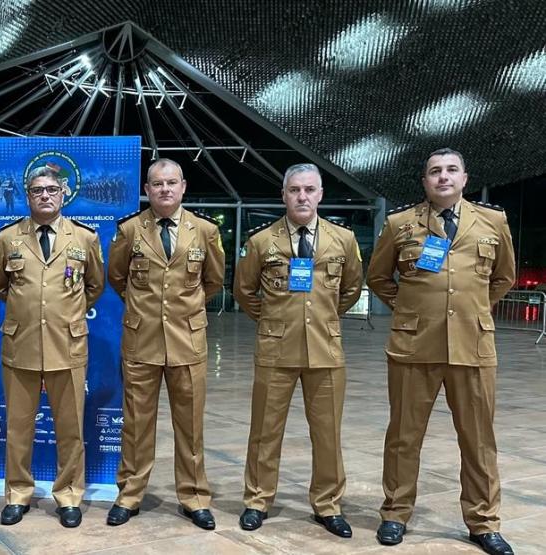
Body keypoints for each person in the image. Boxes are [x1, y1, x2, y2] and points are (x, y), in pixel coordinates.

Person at [367, 148, 515, 555]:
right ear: (425, 181)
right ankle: (395, 514)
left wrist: (475, 309)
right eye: (435, 171)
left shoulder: (492, 220)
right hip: (414, 347)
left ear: (465, 178)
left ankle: (483, 522)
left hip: (473, 346)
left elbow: (504, 276)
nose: (443, 177)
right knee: (403, 436)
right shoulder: (400, 223)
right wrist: (412, 309)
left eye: (451, 170)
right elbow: (379, 277)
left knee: (478, 439)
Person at [232, 163, 363, 537]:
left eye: (309, 190)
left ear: (320, 194)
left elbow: (352, 289)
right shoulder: (262, 241)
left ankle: (328, 504)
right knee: (264, 431)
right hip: (276, 350)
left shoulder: (343, 239)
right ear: (284, 195)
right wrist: (274, 319)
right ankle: (257, 499)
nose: (302, 196)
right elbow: (244, 290)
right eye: (294, 190)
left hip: (325, 349)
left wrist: (323, 317)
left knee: (327, 432)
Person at [106, 158, 225, 530]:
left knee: (190, 425)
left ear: (183, 186)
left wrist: (182, 312)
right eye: (157, 184)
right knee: (137, 424)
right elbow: (117, 278)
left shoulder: (204, 230)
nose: (165, 189)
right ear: (147, 189)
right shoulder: (129, 230)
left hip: (187, 341)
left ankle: (194, 497)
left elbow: (214, 281)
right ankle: (130, 494)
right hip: (141, 341)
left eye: (171, 182)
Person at [0, 167, 103, 528]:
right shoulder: (9, 238)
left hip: (67, 345)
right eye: (37, 190)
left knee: (70, 429)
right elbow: (0, 286)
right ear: (28, 194)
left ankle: (69, 495)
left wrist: (64, 313)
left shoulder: (84, 238)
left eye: (52, 189)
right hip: (21, 344)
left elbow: (94, 286)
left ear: (64, 193)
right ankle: (18, 493)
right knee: (18, 428)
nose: (45, 196)